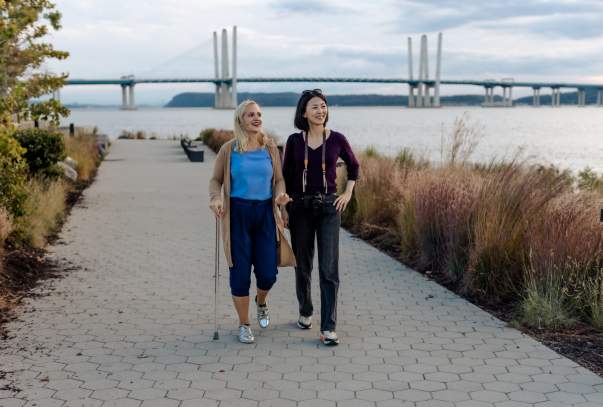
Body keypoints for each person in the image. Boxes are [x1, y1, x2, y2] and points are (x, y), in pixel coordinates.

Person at [209, 100, 292, 344]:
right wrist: (216, 199)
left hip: (265, 214)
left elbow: (279, 180)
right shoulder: (228, 150)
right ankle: (244, 324)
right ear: (240, 121)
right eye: (250, 115)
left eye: (259, 114)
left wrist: (280, 197)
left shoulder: (270, 149)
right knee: (240, 274)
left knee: (268, 274)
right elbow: (215, 181)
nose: (256, 118)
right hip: (237, 215)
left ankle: (261, 301)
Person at [282, 89, 359, 346]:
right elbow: (285, 177)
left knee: (329, 269)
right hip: (299, 208)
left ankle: (328, 327)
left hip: (328, 208)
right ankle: (305, 311)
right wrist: (282, 208)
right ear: (304, 112)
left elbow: (354, 166)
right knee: (302, 266)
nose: (320, 111)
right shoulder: (294, 141)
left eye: (323, 106)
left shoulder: (337, 139)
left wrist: (347, 193)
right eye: (315, 107)